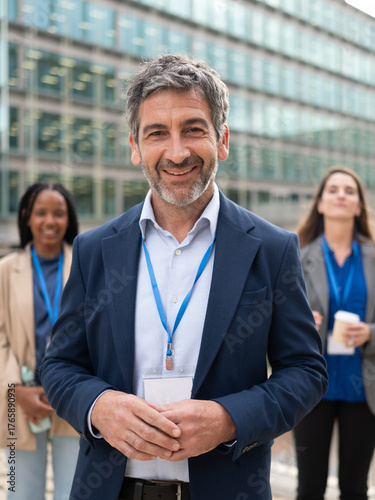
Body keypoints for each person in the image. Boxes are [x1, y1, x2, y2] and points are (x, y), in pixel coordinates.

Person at [40, 54, 328, 500]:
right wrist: (99, 407)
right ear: (135, 146)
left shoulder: (272, 249)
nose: (177, 152)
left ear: (223, 139)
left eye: (193, 129)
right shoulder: (96, 250)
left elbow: (306, 371)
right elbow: (59, 366)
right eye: (157, 133)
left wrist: (230, 418)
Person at [293, 166, 375, 500]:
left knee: (355, 488)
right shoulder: (296, 256)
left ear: (358, 206)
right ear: (321, 204)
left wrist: (369, 332)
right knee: (309, 488)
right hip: (313, 390)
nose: (341, 195)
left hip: (364, 390)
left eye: (350, 191)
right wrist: (299, 324)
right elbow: (273, 321)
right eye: (333, 190)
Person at [0, 182, 80, 500]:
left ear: (68, 219)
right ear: (26, 217)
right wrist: (15, 391)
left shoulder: (85, 265)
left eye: (58, 214)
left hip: (72, 397)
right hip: (18, 399)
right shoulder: (5, 271)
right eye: (41, 213)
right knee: (21, 491)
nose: (50, 221)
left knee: (73, 492)